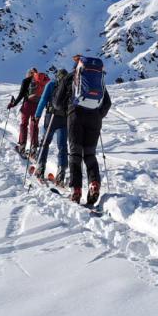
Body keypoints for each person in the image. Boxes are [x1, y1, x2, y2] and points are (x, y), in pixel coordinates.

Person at [54, 55, 111, 206]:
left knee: (75, 154)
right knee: (90, 154)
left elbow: (58, 104)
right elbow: (107, 103)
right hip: (94, 118)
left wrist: (68, 110)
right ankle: (94, 184)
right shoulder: (98, 79)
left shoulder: (70, 77)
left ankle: (76, 190)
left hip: (75, 116)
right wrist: (98, 115)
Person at [33, 68, 70, 184]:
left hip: (51, 117)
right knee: (62, 145)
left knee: (45, 142)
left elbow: (43, 100)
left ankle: (40, 167)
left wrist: (37, 115)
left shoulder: (51, 84)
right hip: (64, 119)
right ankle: (61, 172)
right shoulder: (70, 86)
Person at [7, 68, 49, 155]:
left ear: (29, 73)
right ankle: (34, 149)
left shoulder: (26, 81)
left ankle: (22, 147)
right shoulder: (42, 82)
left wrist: (13, 104)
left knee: (24, 124)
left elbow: (21, 94)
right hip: (37, 105)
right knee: (34, 125)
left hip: (27, 105)